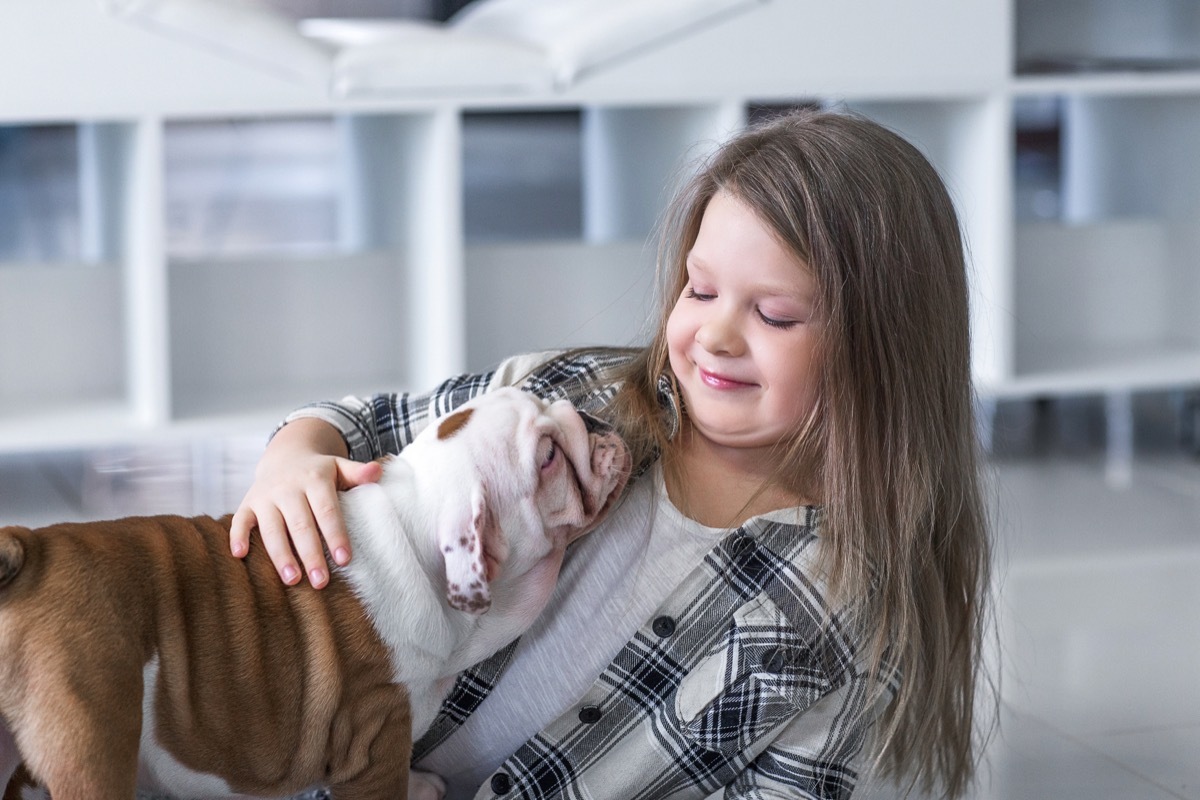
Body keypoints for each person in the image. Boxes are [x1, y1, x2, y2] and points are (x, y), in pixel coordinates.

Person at [231, 107, 994, 799]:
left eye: (773, 313)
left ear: (880, 350)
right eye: (699, 291)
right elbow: (362, 424)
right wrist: (293, 458)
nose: (717, 335)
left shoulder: (841, 609)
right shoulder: (572, 397)